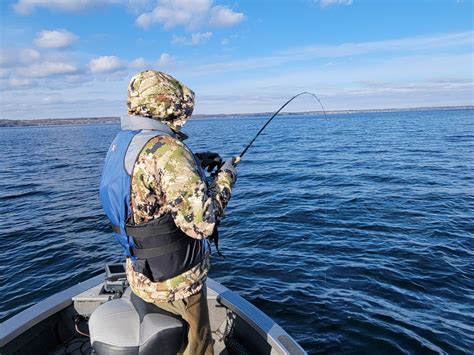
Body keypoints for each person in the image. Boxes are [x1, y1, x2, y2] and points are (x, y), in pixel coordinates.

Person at [99, 69, 238, 355]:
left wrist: (196, 162)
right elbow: (202, 223)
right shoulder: (168, 150)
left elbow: (144, 181)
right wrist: (225, 177)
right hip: (177, 283)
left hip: (141, 273)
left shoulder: (124, 142)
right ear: (167, 104)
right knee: (194, 348)